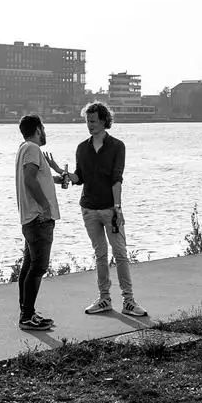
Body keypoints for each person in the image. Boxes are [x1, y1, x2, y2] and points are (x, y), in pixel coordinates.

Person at [67, 101, 147, 318]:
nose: (89, 125)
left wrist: (118, 209)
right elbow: (79, 177)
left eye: (93, 121)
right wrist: (63, 176)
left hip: (110, 209)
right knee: (100, 255)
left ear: (104, 121)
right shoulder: (82, 148)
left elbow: (116, 180)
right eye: (87, 121)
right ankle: (104, 299)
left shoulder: (117, 146)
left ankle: (129, 301)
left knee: (120, 254)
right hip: (89, 209)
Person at [12, 113, 71, 331]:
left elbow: (36, 177)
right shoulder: (32, 149)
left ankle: (28, 313)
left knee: (29, 267)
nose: (44, 132)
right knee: (38, 267)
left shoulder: (24, 148)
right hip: (39, 219)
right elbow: (29, 179)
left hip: (31, 218)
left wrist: (56, 177)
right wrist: (46, 207)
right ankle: (26, 317)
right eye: (43, 128)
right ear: (38, 129)